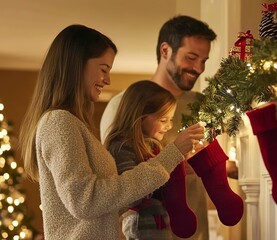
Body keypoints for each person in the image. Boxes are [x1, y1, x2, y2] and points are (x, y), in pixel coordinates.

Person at [18, 24, 204, 240]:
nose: (107, 80)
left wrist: (172, 167)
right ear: (77, 65)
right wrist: (170, 155)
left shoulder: (71, 124)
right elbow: (86, 201)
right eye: (103, 69)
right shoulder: (59, 122)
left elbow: (106, 203)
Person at [100, 15, 217, 240]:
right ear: (165, 51)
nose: (199, 68)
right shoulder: (123, 106)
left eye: (204, 60)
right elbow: (117, 183)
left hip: (196, 233)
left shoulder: (203, 105)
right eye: (191, 57)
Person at [105, 80, 187, 239]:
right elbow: (131, 194)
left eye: (170, 120)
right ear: (140, 116)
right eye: (163, 120)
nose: (169, 126)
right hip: (141, 228)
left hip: (158, 225)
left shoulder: (152, 147)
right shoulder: (122, 147)